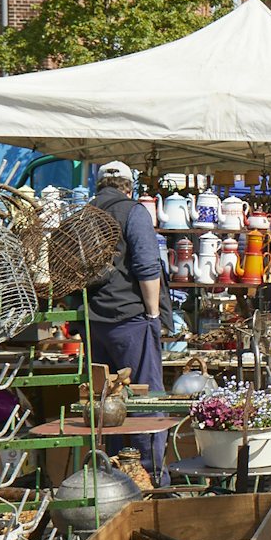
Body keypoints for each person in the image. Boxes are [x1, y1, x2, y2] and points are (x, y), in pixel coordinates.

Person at [86, 161, 167, 478]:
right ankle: (149, 474)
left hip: (93, 321)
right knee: (145, 399)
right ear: (128, 187)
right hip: (131, 319)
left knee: (104, 400)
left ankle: (111, 475)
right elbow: (148, 267)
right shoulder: (133, 212)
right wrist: (153, 314)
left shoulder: (83, 215)